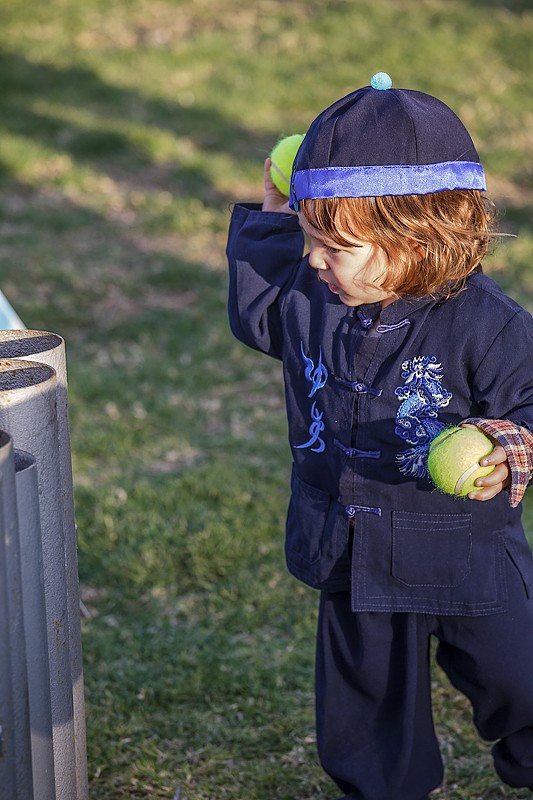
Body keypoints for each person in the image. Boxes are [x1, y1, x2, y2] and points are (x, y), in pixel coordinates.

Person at [226, 72, 533, 800]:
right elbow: (258, 316)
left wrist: (501, 447)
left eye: (333, 246)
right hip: (351, 551)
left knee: (519, 680)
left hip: (463, 547)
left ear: (417, 237)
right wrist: (276, 217)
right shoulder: (311, 295)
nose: (312, 262)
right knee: (365, 725)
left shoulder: (487, 323)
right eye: (307, 241)